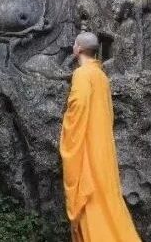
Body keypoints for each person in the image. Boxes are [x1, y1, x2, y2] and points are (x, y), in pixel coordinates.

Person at [60, 32, 141, 242]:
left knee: (92, 202)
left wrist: (66, 124)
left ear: (78, 49)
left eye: (74, 44)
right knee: (108, 199)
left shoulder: (82, 74)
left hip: (87, 148)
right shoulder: (102, 77)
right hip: (103, 148)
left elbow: (77, 109)